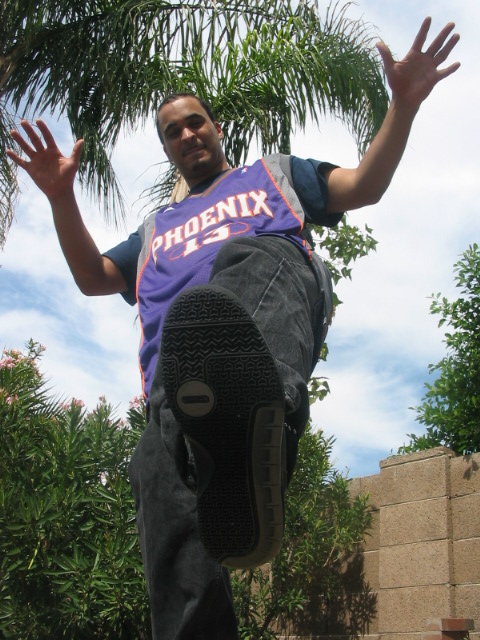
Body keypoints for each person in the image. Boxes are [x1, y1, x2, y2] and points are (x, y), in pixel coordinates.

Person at [7, 17, 460, 640]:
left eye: (195, 122)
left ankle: (251, 418)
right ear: (168, 150)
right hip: (175, 391)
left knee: (247, 256)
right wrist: (61, 196)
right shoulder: (155, 229)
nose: (186, 134)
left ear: (217, 128)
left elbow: (364, 185)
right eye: (172, 132)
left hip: (269, 310)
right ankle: (233, 465)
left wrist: (402, 105)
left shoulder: (273, 175)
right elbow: (92, 276)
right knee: (174, 550)